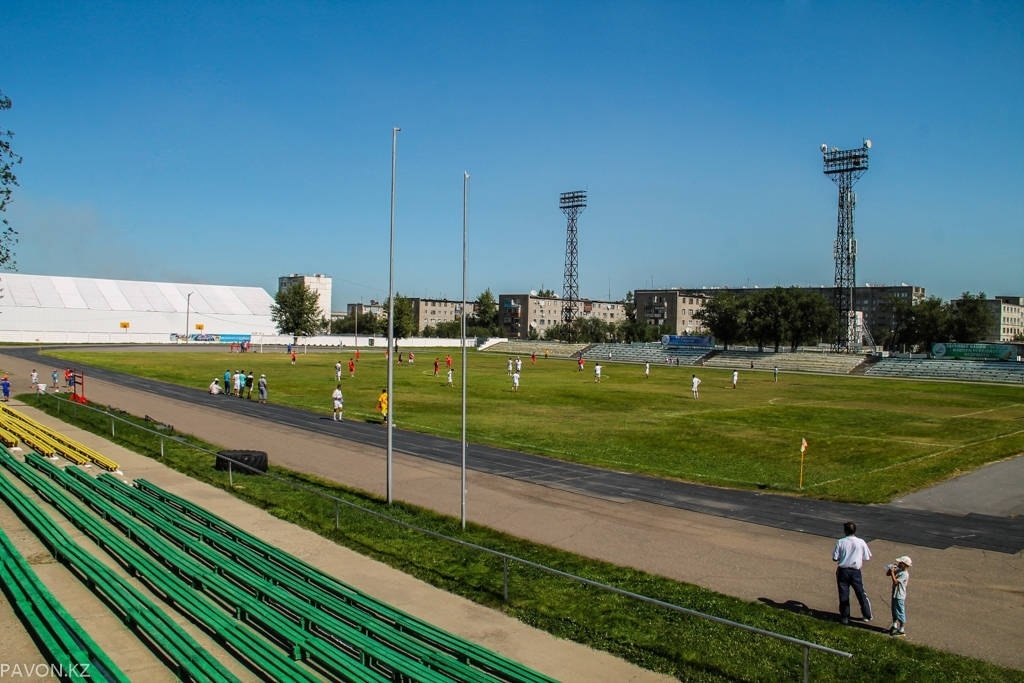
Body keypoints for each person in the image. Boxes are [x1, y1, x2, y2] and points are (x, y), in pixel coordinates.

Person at [833, 521, 873, 624]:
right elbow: (867, 557)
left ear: (845, 531)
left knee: (843, 594)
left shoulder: (840, 542)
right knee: (860, 593)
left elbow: (835, 557)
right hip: (855, 571)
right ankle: (867, 614)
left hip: (843, 570)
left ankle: (845, 616)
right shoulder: (861, 542)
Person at [887, 556, 912, 637]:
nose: (898, 564)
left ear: (904, 565)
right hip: (895, 594)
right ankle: (894, 624)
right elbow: (887, 574)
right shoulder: (899, 570)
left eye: (900, 563)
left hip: (899, 596)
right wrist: (891, 570)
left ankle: (902, 629)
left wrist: (892, 573)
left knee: (900, 612)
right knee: (894, 610)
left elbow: (895, 582)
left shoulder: (905, 574)